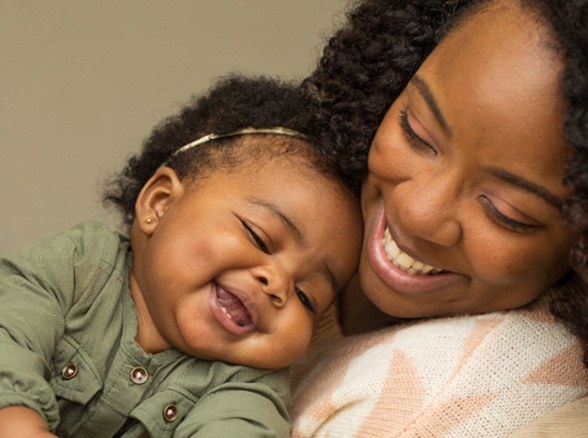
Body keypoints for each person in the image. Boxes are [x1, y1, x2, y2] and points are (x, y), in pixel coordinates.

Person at [0, 75, 362, 437]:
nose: (278, 284)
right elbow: (10, 333)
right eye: (260, 238)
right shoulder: (80, 265)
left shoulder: (248, 383)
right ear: (160, 204)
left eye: (306, 296)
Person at [290, 0, 588, 436]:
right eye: (417, 132)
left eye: (506, 212)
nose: (419, 212)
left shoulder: (434, 407)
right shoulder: (279, 192)